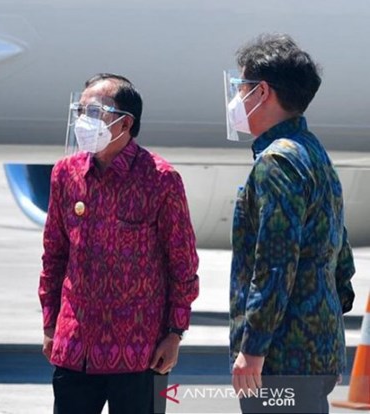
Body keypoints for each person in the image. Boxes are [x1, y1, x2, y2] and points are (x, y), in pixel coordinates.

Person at [39, 73, 200, 414]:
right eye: (80, 111)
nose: (84, 121)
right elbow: (54, 255)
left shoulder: (160, 179)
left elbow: (182, 262)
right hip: (75, 347)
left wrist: (174, 333)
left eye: (94, 112)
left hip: (140, 352)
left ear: (125, 123)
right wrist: (51, 323)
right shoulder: (65, 174)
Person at [225, 34, 356, 413]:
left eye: (241, 87)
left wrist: (253, 348)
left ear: (262, 92)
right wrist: (322, 314)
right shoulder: (312, 151)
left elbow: (275, 264)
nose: (236, 98)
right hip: (316, 350)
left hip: (282, 360)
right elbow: (340, 254)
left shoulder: (277, 161)